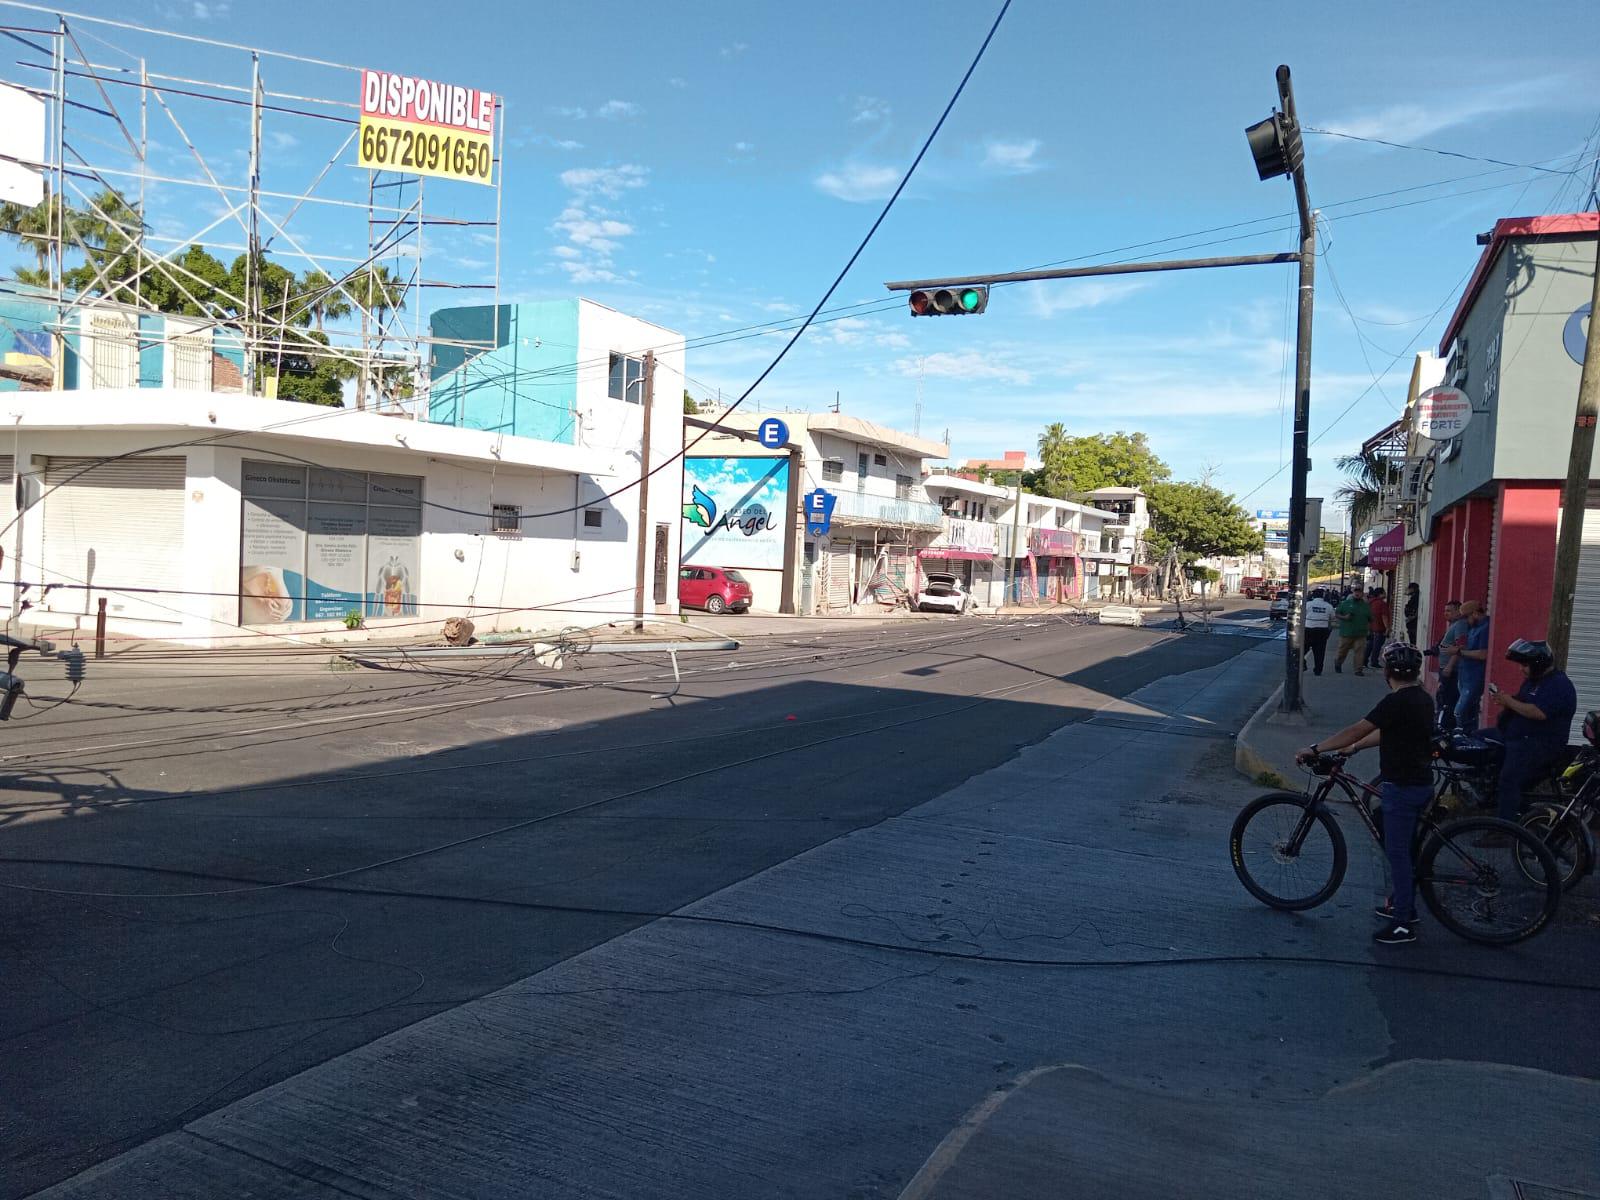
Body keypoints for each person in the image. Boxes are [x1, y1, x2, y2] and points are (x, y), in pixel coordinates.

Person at [1297, 642, 1433, 946]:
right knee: (1394, 834)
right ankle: (1404, 902)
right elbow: (1383, 731)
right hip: (1419, 782)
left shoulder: (1395, 702)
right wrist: (1356, 748)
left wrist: (1317, 748)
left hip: (1403, 785)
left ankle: (1403, 923)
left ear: (1387, 672)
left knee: (1396, 854)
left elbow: (1358, 728)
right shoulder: (1421, 698)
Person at [1474, 639, 1578, 842]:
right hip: (1515, 735)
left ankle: (1504, 831)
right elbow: (1522, 701)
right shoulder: (1534, 681)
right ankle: (1485, 791)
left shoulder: (1558, 684)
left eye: (1525, 665)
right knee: (1475, 740)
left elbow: (1538, 712)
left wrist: (1509, 701)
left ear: (1538, 664)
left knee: (1509, 779)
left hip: (1539, 744)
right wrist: (1505, 698)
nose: (1521, 669)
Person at [1429, 600, 1466, 731]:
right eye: (1445, 611)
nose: (1446, 614)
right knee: (1442, 697)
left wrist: (1450, 666)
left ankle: (1446, 727)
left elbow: (1459, 647)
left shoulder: (1460, 625)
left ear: (1458, 611)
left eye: (1449, 611)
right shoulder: (1453, 625)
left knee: (1447, 699)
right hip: (1444, 668)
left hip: (1451, 671)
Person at [1454, 601, 1491, 730]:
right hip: (1465, 675)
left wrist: (1460, 652)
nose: (1464, 621)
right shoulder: (1473, 627)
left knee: (1460, 712)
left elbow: (1483, 654)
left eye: (1466, 617)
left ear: (1475, 613)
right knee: (1470, 712)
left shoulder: (1486, 627)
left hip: (1474, 677)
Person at [1334, 587, 1372, 675]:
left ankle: (1358, 669)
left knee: (1359, 652)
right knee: (1342, 651)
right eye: (1356, 592)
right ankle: (1338, 663)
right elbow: (1337, 614)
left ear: (1362, 593)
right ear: (1353, 593)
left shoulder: (1366, 606)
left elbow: (1370, 619)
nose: (1357, 593)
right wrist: (1345, 617)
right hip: (1346, 633)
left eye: (1359, 592)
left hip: (1361, 633)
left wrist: (1369, 630)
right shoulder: (1345, 603)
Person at [1302, 587, 1335, 675]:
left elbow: (1302, 616)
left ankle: (1302, 663)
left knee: (1302, 650)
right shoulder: (1328, 606)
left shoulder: (1308, 604)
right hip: (1322, 630)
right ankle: (1318, 670)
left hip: (1308, 630)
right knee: (1320, 652)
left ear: (1313, 596)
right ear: (1323, 596)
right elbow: (1332, 618)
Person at [1366, 587, 1391, 668]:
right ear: (1380, 594)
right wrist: (1387, 628)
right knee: (1377, 646)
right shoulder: (1382, 604)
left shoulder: (1370, 602)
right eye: (1384, 592)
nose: (1385, 594)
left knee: (1370, 645)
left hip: (1370, 627)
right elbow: (1384, 616)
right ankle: (1374, 661)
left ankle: (1364, 660)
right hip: (1379, 628)